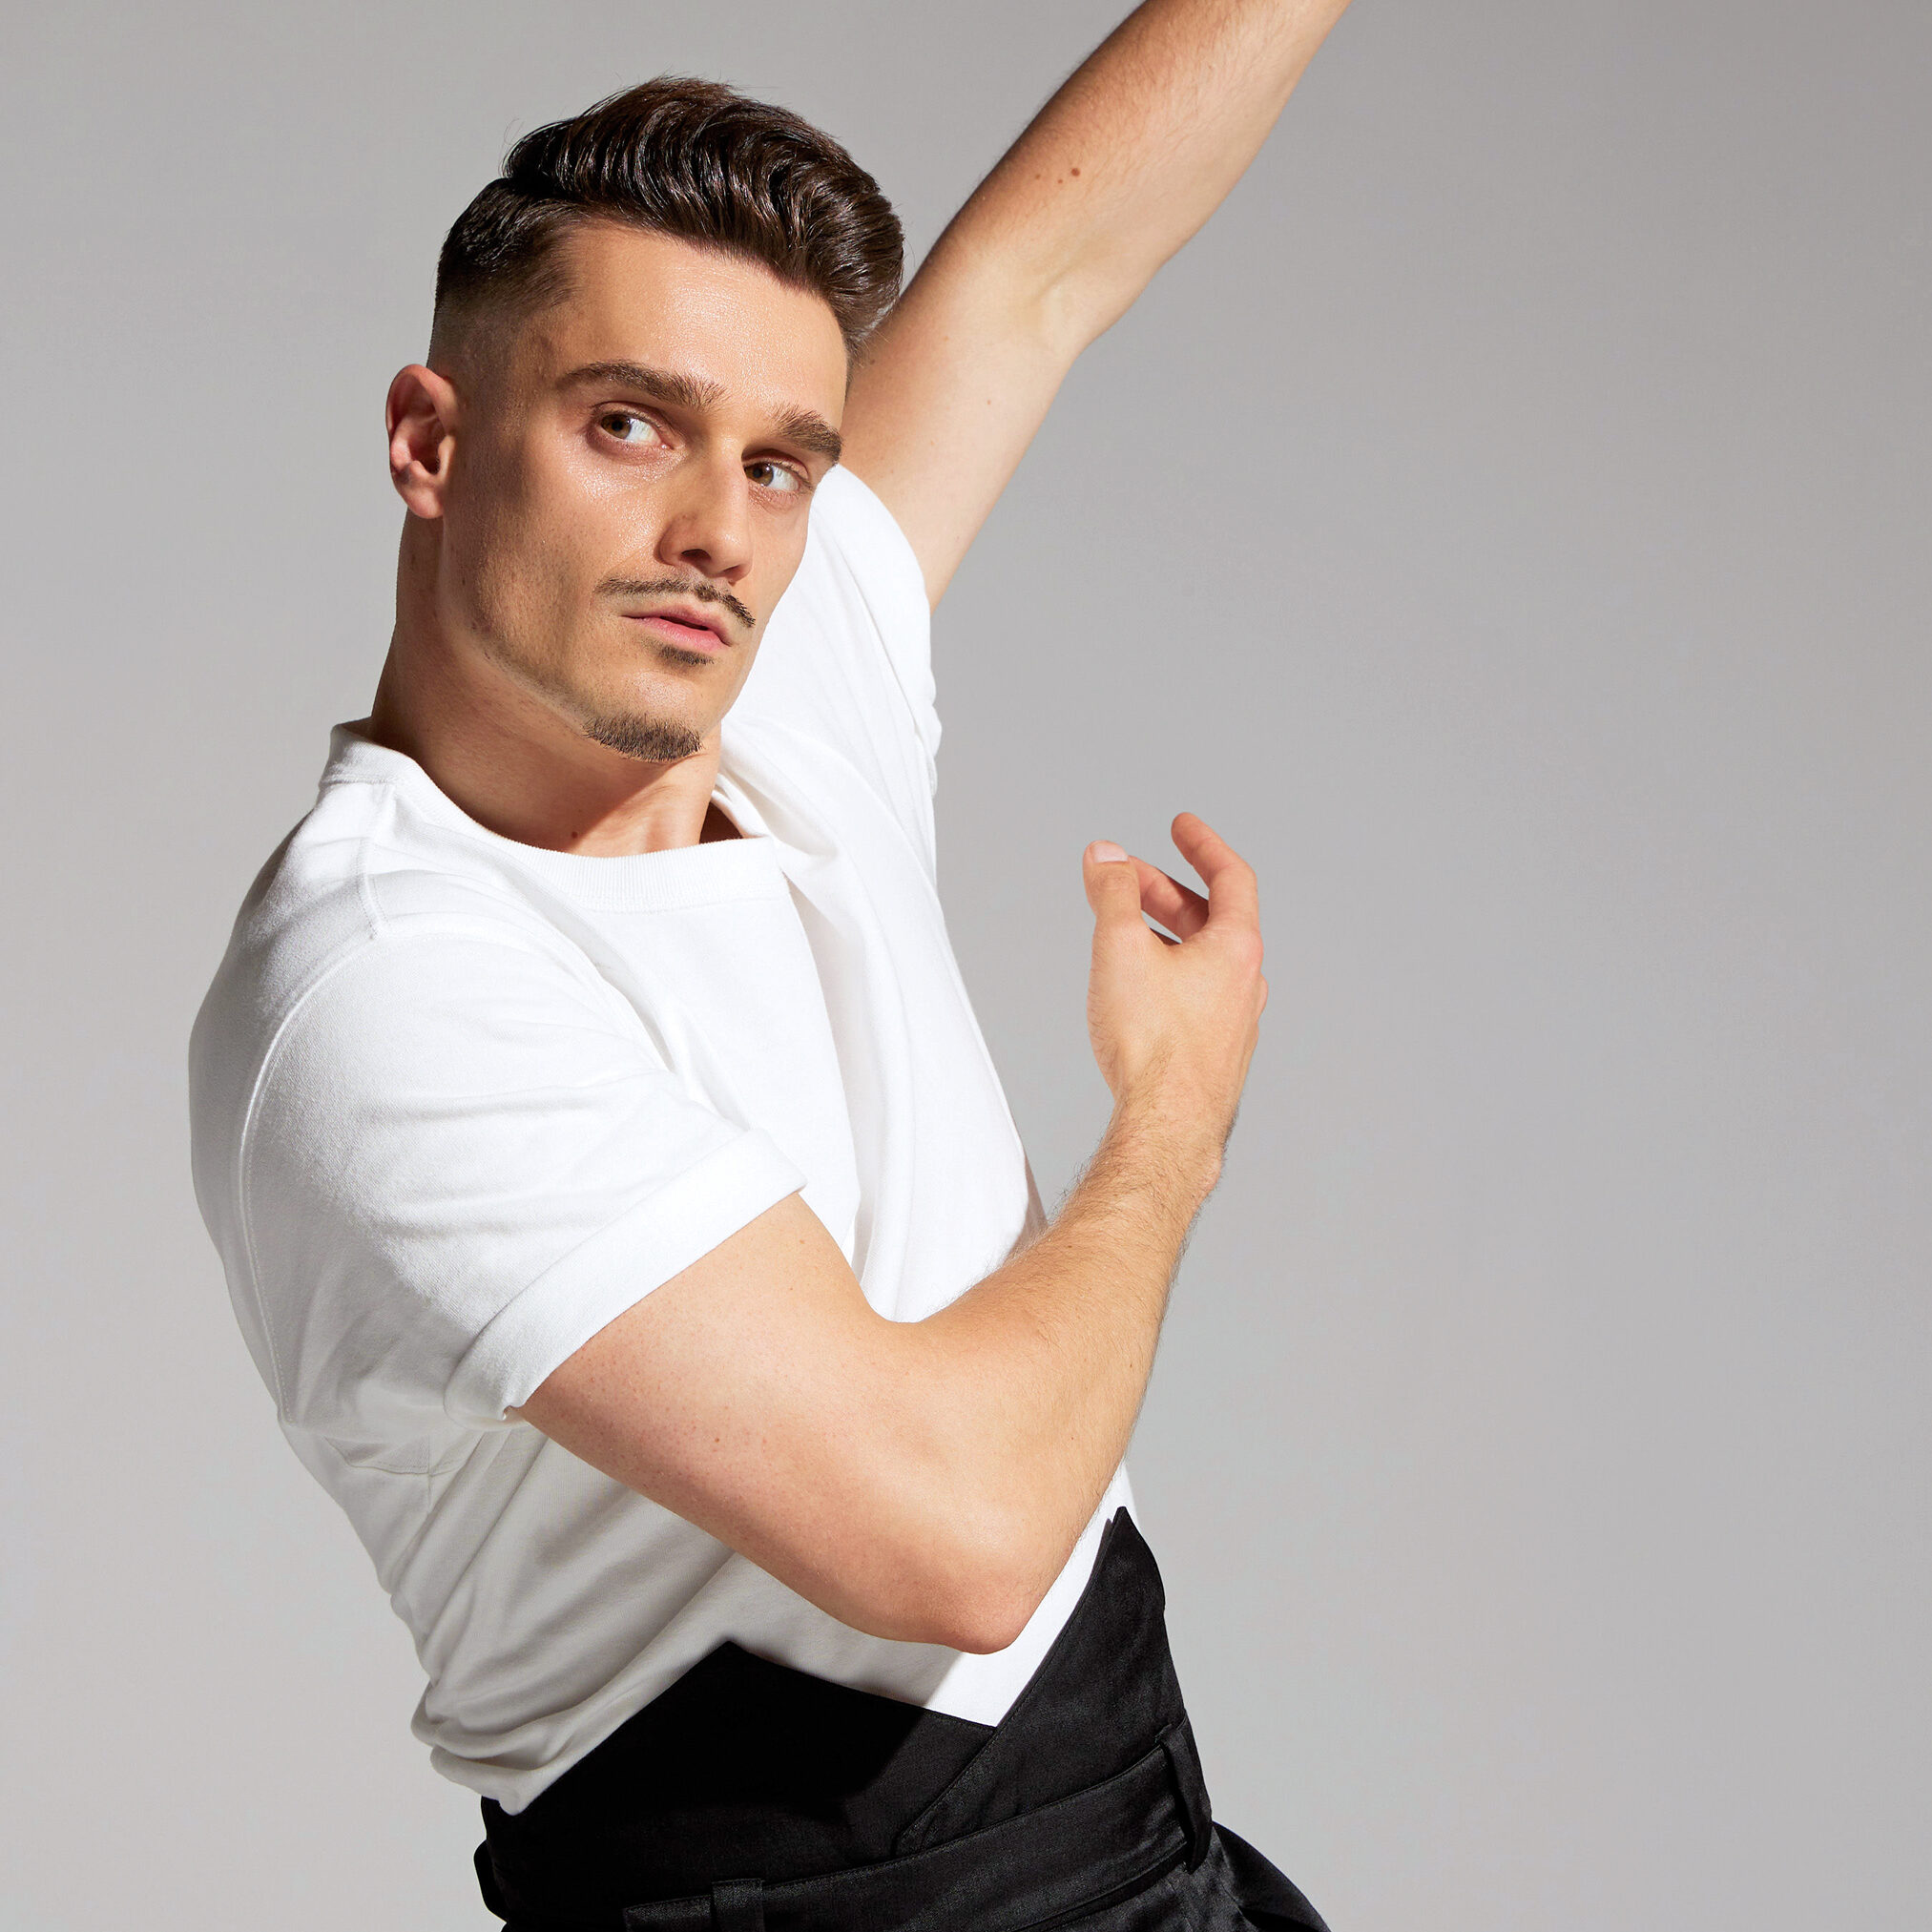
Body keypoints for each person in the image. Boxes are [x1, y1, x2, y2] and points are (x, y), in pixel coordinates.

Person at [189, 2, 1353, 1924]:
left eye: (782, 462)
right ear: (430, 437)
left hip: (1150, 1854)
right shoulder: (382, 991)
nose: (714, 532)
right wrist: (1171, 1117)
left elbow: (1045, 267)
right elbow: (964, 1528)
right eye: (626, 423)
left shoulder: (762, 663)